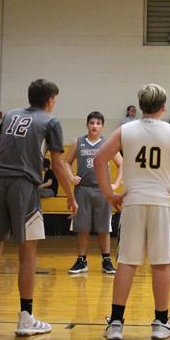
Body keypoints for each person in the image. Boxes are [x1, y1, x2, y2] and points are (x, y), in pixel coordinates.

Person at [94, 83, 170, 340]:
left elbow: (99, 160)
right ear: (163, 107)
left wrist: (110, 194)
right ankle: (161, 322)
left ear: (141, 105)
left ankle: (116, 323)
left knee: (126, 262)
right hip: (162, 204)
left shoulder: (125, 130)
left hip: (132, 202)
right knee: (161, 263)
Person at [0, 79, 76, 337]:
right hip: (23, 186)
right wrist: (71, 196)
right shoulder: (51, 122)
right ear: (50, 100)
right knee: (28, 254)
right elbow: (58, 164)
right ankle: (26, 318)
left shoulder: (9, 116)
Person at [66, 111, 122, 275]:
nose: (94, 126)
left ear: (102, 126)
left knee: (104, 227)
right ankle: (82, 260)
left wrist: (115, 184)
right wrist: (71, 177)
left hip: (102, 190)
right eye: (92, 123)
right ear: (87, 124)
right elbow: (66, 163)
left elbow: (121, 164)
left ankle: (106, 260)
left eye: (98, 123)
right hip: (83, 189)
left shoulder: (107, 144)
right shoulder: (78, 142)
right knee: (82, 227)